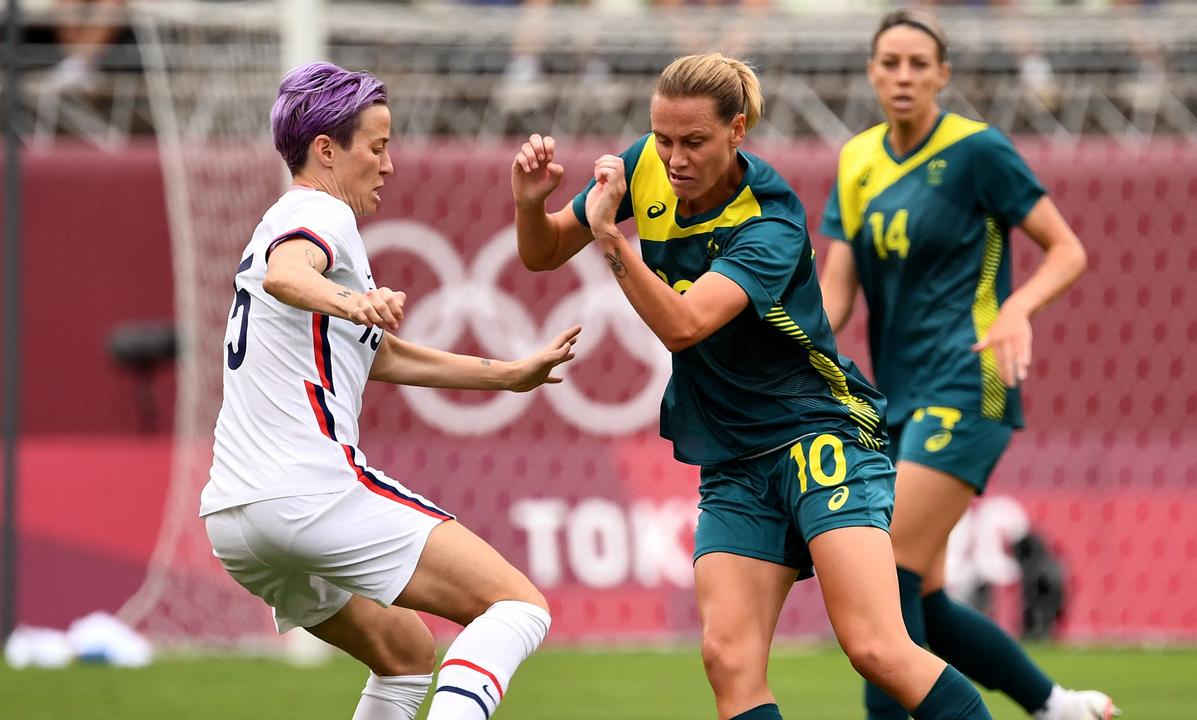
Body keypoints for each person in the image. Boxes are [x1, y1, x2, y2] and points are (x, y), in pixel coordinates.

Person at [513, 52, 993, 720]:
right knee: (728, 661)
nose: (673, 158)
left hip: (819, 439)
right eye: (662, 138)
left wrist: (610, 241)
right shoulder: (648, 163)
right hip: (735, 459)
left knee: (878, 647)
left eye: (694, 142)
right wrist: (529, 205)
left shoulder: (770, 221)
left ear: (737, 131)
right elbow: (539, 253)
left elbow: (683, 326)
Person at [200, 61, 581, 720]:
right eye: (377, 147)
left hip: (237, 516)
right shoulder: (319, 211)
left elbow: (381, 357)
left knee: (404, 651)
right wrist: (352, 302)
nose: (390, 164)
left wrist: (507, 374)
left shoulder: (289, 217)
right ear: (326, 151)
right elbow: (289, 276)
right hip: (307, 492)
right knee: (516, 605)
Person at [818, 10, 1112, 720]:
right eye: (890, 62)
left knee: (883, 576)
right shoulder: (856, 160)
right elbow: (835, 292)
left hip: (971, 377)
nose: (904, 75)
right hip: (893, 396)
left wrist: (1018, 308)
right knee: (922, 598)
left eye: (920, 63)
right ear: (871, 71)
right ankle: (1056, 706)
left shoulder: (979, 151)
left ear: (943, 76)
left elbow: (1066, 249)